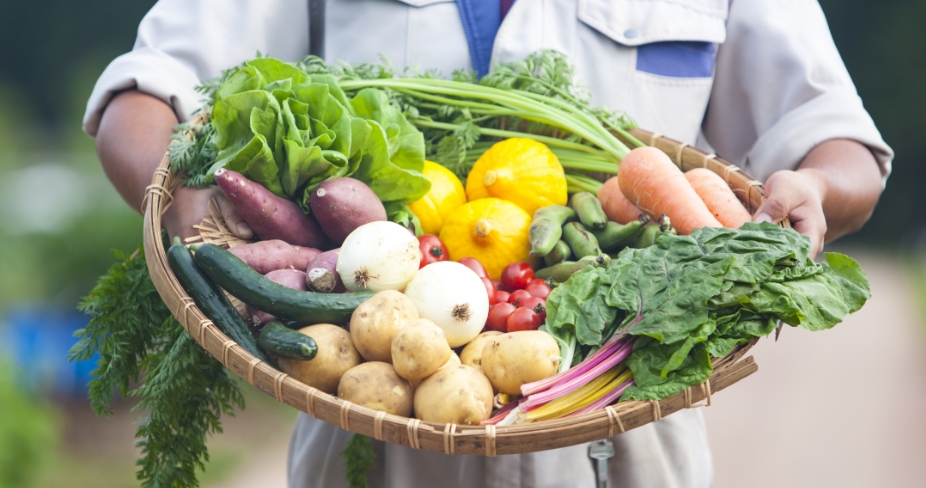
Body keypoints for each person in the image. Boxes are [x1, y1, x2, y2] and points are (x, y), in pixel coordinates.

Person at [84, 1, 892, 487]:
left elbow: (838, 143)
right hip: (374, 413)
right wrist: (208, 234)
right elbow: (143, 98)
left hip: (622, 440)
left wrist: (815, 188)